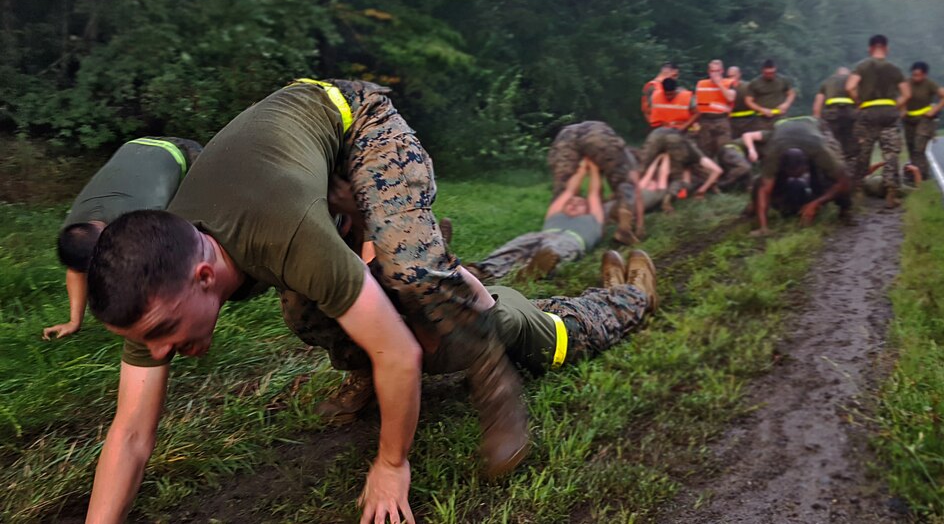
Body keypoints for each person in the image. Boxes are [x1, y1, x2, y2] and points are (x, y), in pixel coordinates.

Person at [79, 78, 530, 522]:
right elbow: (132, 432)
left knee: (409, 272)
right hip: (291, 171)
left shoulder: (281, 234)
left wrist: (391, 464)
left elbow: (400, 353)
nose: (158, 351)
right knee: (303, 310)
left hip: (357, 123)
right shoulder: (152, 281)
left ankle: (491, 372)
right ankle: (365, 362)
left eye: (161, 333)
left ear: (203, 276)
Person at [43, 136, 203, 341]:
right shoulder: (75, 229)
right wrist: (74, 321)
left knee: (204, 216)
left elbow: (160, 264)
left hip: (183, 152)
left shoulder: (139, 222)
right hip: (135, 146)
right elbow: (76, 269)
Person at [467, 158, 605, 282]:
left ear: (588, 210)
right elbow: (568, 191)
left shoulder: (592, 220)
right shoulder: (556, 215)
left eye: (580, 204)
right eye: (570, 203)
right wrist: (581, 169)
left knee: (552, 250)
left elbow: (594, 194)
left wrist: (594, 168)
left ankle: (533, 271)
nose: (574, 204)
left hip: (570, 239)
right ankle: (482, 271)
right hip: (540, 235)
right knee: (516, 246)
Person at [742, 117, 851, 236]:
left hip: (816, 130)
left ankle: (845, 210)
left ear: (806, 166)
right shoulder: (773, 153)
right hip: (782, 138)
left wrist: (816, 203)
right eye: (791, 174)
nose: (795, 177)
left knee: (838, 174)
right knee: (762, 182)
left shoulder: (819, 150)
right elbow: (764, 189)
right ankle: (758, 209)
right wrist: (763, 228)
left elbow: (843, 181)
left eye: (799, 174)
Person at [547, 121, 645, 245]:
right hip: (597, 134)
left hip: (565, 136)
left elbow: (597, 189)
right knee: (624, 182)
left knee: (563, 188)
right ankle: (624, 230)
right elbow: (635, 190)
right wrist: (641, 225)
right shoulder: (629, 159)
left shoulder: (616, 150)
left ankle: (557, 230)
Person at [845, 34, 911, 207]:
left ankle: (857, 192)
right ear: (886, 49)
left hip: (868, 113)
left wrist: (859, 102)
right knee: (891, 153)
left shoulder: (862, 66)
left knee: (862, 151)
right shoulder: (894, 69)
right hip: (889, 113)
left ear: (870, 48)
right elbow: (907, 94)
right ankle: (891, 192)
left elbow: (849, 87)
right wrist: (894, 106)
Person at [641, 127, 723, 208]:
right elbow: (718, 171)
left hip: (656, 134)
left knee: (642, 166)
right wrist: (701, 190)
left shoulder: (695, 151)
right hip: (674, 138)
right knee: (677, 178)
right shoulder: (695, 155)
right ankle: (667, 201)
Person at [903, 61, 944, 179]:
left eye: (919, 75)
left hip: (925, 119)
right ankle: (915, 172)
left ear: (924, 74)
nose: (916, 77)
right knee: (910, 146)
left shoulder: (929, 84)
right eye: (914, 74)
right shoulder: (906, 83)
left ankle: (922, 174)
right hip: (909, 119)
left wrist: (934, 110)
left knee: (918, 147)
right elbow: (901, 97)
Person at [813, 67, 859, 177]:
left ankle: (834, 175)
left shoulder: (826, 82)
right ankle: (852, 178)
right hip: (850, 116)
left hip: (831, 116)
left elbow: (817, 105)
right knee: (852, 148)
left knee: (832, 146)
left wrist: (816, 121)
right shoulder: (853, 81)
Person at [694, 59, 738, 158]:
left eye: (717, 71)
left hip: (721, 121)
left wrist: (719, 84)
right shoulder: (701, 84)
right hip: (705, 121)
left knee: (724, 150)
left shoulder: (729, 83)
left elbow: (730, 98)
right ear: (708, 72)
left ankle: (726, 172)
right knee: (704, 151)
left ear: (722, 71)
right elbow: (697, 104)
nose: (715, 74)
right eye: (712, 71)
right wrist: (695, 122)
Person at [744, 60, 796, 132]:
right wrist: (761, 109)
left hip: (780, 116)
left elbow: (791, 93)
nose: (770, 75)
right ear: (762, 71)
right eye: (767, 73)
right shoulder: (755, 83)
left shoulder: (783, 80)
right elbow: (748, 101)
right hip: (761, 119)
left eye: (772, 73)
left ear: (775, 70)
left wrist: (786, 104)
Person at [728, 66, 760, 138]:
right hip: (732, 123)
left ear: (739, 75)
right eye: (729, 76)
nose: (731, 79)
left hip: (749, 122)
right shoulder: (726, 88)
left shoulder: (748, 87)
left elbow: (757, 102)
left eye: (733, 76)